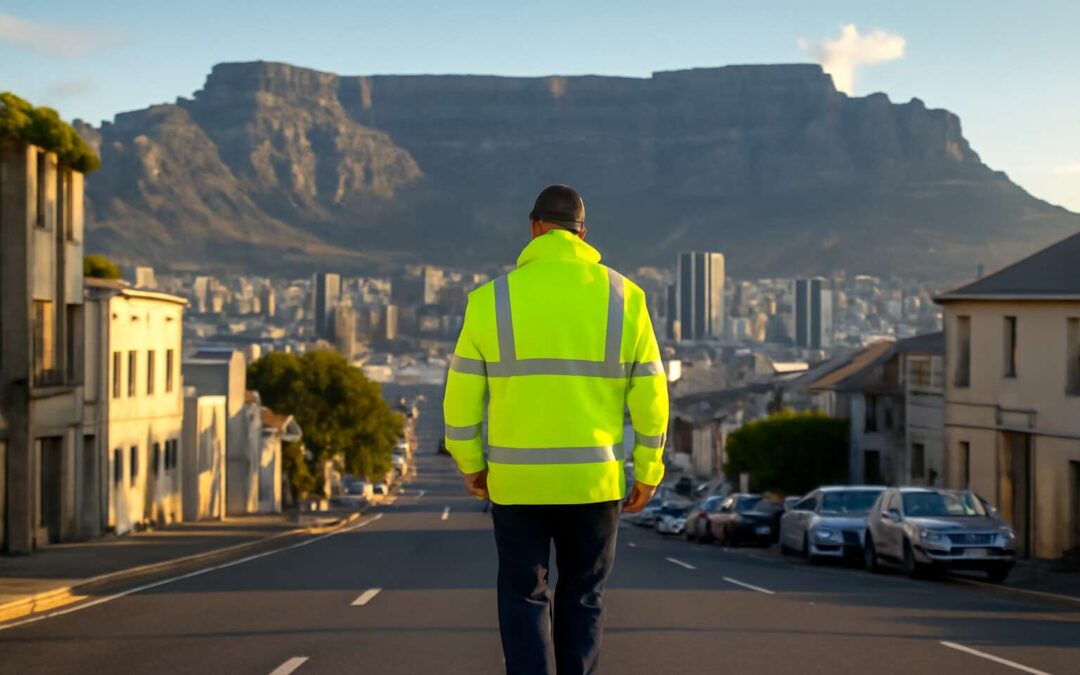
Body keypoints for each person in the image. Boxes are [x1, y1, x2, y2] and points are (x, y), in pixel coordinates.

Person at [442, 185, 669, 675]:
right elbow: (651, 396)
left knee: (524, 596)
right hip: (595, 482)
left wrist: (472, 465)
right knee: (584, 597)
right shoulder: (626, 298)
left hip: (517, 484)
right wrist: (648, 470)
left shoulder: (488, 300)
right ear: (583, 233)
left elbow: (459, 402)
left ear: (534, 227)